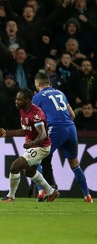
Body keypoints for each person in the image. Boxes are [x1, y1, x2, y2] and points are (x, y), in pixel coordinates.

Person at [33, 72, 93, 202]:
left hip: (56, 128)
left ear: (37, 83)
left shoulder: (38, 97)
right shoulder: (60, 93)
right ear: (49, 82)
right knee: (74, 164)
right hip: (71, 128)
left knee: (35, 158)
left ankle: (41, 192)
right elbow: (72, 114)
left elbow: (33, 119)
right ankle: (87, 195)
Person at [0, 88, 59, 202]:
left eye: (20, 99)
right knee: (29, 172)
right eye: (16, 99)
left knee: (15, 167)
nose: (16, 101)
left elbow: (43, 134)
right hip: (35, 146)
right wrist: (7, 133)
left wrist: (33, 143)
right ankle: (51, 192)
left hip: (41, 147)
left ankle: (10, 196)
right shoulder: (23, 110)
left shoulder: (36, 114)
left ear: (28, 100)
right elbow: (24, 130)